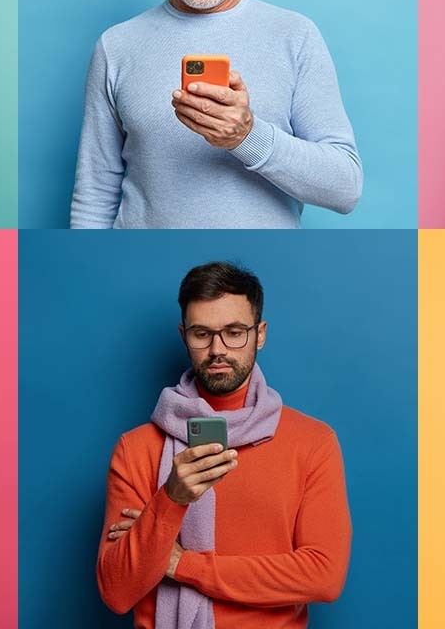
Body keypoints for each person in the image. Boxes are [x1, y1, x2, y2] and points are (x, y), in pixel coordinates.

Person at [70, 0, 362, 228]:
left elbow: (345, 188)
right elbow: (95, 194)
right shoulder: (116, 47)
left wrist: (247, 136)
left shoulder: (295, 36)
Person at [96, 262, 351, 627]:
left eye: (234, 332)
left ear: (260, 334)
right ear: (184, 335)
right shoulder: (137, 449)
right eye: (202, 333)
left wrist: (182, 563)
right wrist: (170, 499)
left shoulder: (311, 442)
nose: (218, 349)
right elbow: (116, 592)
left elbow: (324, 576)